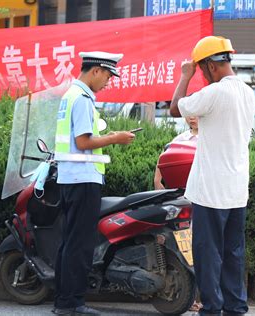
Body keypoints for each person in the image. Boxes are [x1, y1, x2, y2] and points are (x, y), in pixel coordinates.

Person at [170, 36, 254, 316]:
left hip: (211, 190)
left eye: (201, 69)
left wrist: (185, 75)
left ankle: (211, 309)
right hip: (236, 188)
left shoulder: (215, 92)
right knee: (234, 253)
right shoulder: (247, 91)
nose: (202, 75)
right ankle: (235, 307)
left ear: (209, 66)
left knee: (208, 254)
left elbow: (174, 107)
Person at [53, 51, 135, 315]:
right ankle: (72, 304)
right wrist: (115, 138)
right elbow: (83, 142)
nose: (108, 83)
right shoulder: (83, 99)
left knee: (70, 242)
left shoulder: (70, 96)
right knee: (80, 244)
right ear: (96, 70)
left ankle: (63, 301)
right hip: (82, 179)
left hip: (70, 178)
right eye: (108, 77)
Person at [153, 116, 198, 190]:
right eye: (188, 113)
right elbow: (164, 155)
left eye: (196, 113)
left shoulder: (212, 138)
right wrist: (157, 181)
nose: (192, 117)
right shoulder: (180, 139)